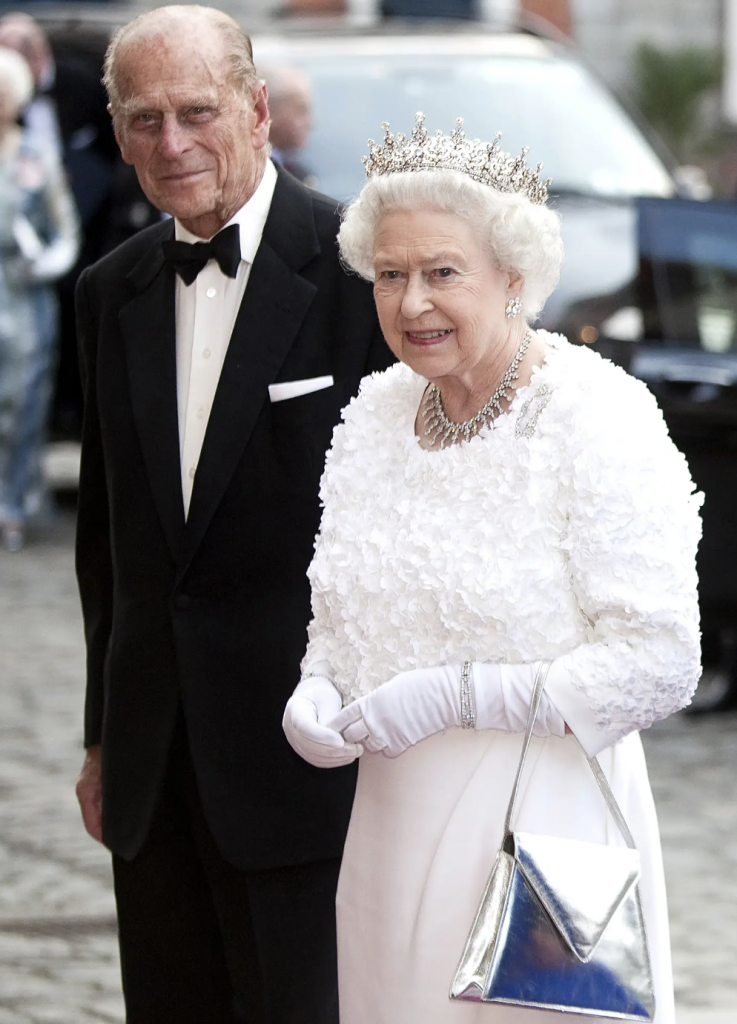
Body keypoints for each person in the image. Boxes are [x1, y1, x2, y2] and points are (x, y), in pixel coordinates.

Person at [283, 114, 703, 1023]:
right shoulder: (377, 413)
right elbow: (342, 608)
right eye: (389, 275)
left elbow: (659, 661)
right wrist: (317, 684)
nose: (411, 302)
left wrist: (456, 695)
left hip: (542, 822)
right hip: (392, 822)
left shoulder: (594, 414)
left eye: (442, 272)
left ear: (513, 279)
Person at [73, 7, 390, 1023]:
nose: (171, 144)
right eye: (143, 118)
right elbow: (108, 539)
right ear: (117, 132)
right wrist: (99, 737)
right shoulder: (108, 291)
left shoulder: (361, 276)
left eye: (196, 112)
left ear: (256, 111)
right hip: (153, 762)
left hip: (309, 761)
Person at [0, 45, 79, 550]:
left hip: (22, 298)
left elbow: (65, 233)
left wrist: (43, 263)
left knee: (22, 403)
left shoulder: (37, 156)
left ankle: (13, 504)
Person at [261, 65, 315, 185]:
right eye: (301, 110)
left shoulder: (299, 175)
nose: (310, 123)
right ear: (267, 110)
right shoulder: (254, 176)